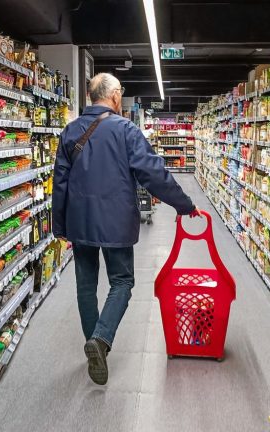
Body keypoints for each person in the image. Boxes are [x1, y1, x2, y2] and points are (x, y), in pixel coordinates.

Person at [52, 73, 198, 385]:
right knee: (121, 282)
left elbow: (60, 183)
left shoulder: (69, 131)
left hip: (80, 220)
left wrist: (59, 225)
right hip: (116, 220)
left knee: (85, 284)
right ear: (115, 96)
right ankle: (101, 341)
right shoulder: (125, 130)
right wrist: (184, 204)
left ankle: (94, 342)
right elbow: (153, 173)